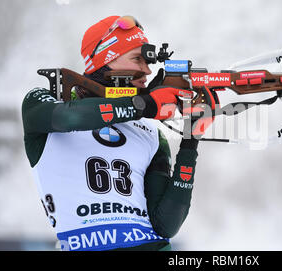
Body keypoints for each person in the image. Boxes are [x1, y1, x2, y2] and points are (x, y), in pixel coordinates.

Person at [21, 15, 216, 251]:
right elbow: (69, 117)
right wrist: (144, 105)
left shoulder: (150, 134)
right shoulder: (41, 103)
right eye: (137, 59)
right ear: (107, 62)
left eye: (147, 62)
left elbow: (166, 225)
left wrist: (190, 140)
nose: (147, 70)